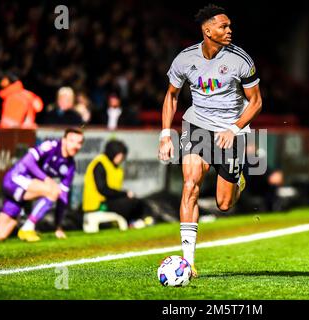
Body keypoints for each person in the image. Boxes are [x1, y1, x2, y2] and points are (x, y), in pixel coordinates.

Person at [158, 4, 262, 278]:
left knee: (224, 204)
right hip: (197, 128)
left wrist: (235, 127)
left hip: (231, 132)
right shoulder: (184, 59)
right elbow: (171, 95)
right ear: (207, 30)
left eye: (229, 26)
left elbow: (256, 102)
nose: (230, 30)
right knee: (190, 184)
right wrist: (165, 133)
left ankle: (238, 180)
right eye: (223, 26)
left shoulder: (241, 59)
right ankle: (188, 262)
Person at [0, 128, 84, 242]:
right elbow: (28, 161)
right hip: (14, 180)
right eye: (72, 141)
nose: (76, 146)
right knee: (53, 189)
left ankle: (24, 227)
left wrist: (58, 226)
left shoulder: (70, 166)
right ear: (64, 140)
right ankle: (28, 228)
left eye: (79, 143)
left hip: (22, 193)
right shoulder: (51, 146)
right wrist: (46, 178)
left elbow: (63, 197)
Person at [82, 140, 152, 228]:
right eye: (119, 155)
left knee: (138, 202)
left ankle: (138, 221)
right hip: (98, 205)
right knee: (130, 203)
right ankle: (133, 223)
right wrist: (124, 194)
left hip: (109, 201)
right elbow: (103, 189)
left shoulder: (116, 168)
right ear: (113, 153)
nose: (121, 158)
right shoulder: (100, 164)